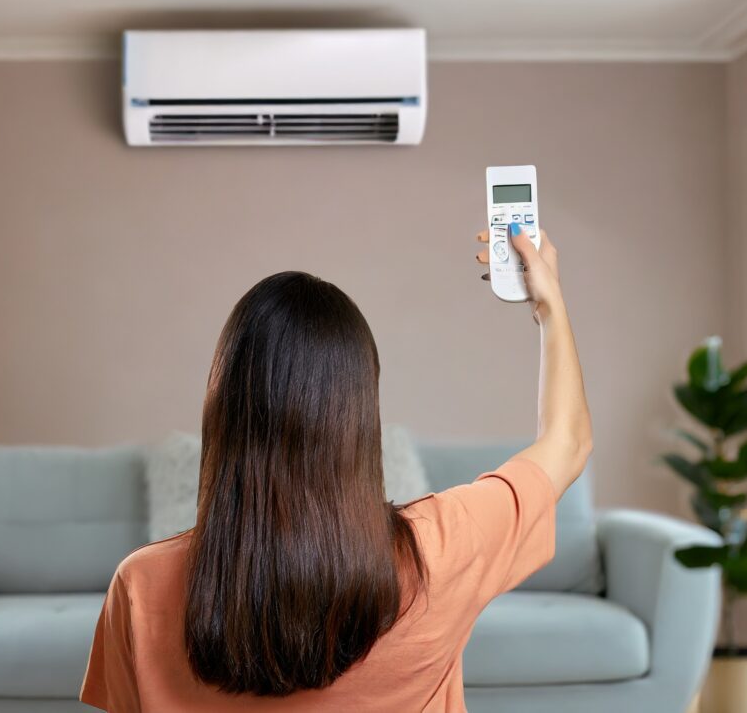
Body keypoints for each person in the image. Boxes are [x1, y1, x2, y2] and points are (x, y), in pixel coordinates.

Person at [80, 223, 592, 712]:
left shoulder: (141, 584)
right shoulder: (442, 548)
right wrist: (549, 304)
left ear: (225, 410)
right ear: (358, 416)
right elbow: (568, 444)